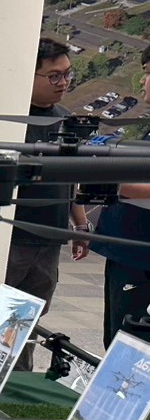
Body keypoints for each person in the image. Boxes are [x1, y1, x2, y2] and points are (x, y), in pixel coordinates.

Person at [6, 37, 89, 369]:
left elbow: (73, 177)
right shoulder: (12, 122)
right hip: (12, 240)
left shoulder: (66, 119)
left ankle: (18, 384)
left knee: (29, 325)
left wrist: (80, 224)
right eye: (54, 76)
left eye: (67, 74)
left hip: (50, 242)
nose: (63, 83)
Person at [92, 42, 150, 347]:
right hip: (127, 251)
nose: (143, 81)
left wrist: (108, 183)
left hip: (140, 256)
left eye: (148, 72)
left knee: (129, 345)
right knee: (116, 338)